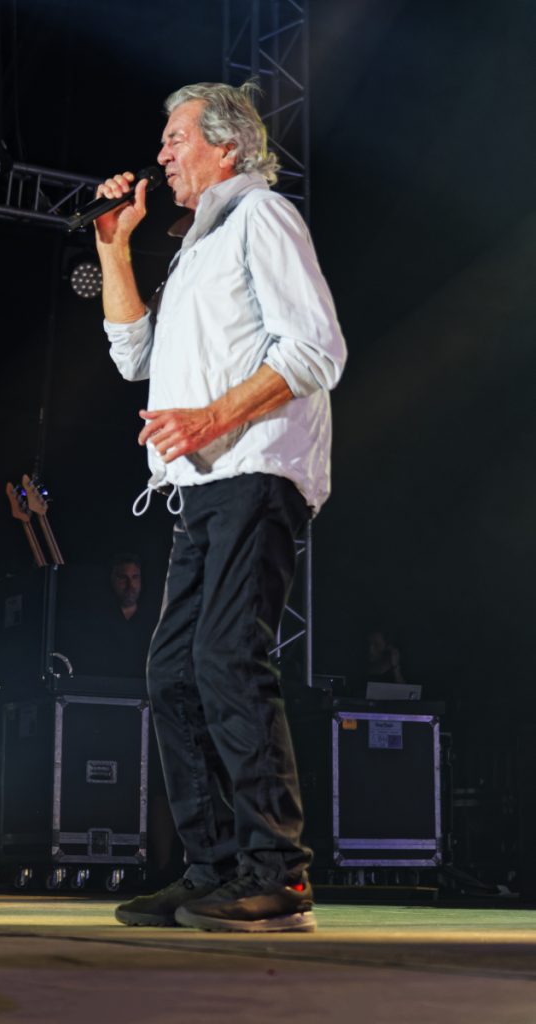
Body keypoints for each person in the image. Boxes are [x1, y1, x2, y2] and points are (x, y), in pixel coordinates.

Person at [94, 81, 347, 933]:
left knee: (227, 658)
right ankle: (213, 872)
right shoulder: (196, 248)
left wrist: (208, 418)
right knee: (174, 671)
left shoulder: (262, 217)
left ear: (227, 145)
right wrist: (114, 248)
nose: (160, 154)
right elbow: (133, 357)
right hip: (202, 485)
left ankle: (279, 875)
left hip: (257, 468)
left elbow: (316, 347)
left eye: (175, 138)